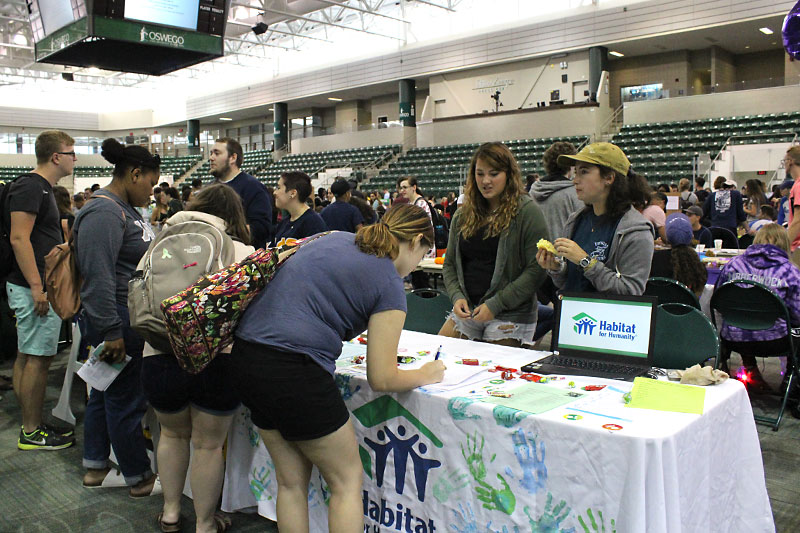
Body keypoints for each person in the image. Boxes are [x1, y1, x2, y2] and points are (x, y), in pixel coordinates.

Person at [228, 204, 445, 532]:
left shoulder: (334, 238)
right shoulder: (389, 282)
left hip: (247, 356)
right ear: (415, 241)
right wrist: (425, 374)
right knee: (346, 481)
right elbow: (382, 376)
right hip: (293, 367)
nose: (416, 265)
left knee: (290, 482)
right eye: (423, 254)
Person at [141, 184, 252, 533]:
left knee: (171, 436)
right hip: (216, 358)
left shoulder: (158, 242)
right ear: (233, 215)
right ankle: (205, 523)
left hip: (159, 352)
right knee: (208, 445)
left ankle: (171, 512)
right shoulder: (240, 248)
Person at [74, 138, 160, 497]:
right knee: (126, 399)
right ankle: (138, 476)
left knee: (105, 391)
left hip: (119, 318)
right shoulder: (104, 213)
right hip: (117, 320)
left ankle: (95, 466)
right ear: (134, 174)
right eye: (151, 184)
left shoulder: (120, 209)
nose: (152, 193)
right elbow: (98, 277)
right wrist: (111, 331)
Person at [4, 130, 76, 450]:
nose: (76, 158)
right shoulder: (31, 187)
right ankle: (31, 430)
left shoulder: (42, 188)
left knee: (28, 356)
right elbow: (19, 239)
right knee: (37, 359)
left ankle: (30, 422)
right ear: (56, 157)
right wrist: (37, 288)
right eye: (71, 152)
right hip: (32, 287)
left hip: (33, 285)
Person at [439, 142, 549, 347]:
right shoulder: (463, 214)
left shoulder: (527, 212)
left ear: (508, 175)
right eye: (480, 174)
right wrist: (456, 296)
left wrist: (496, 304)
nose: (486, 181)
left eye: (494, 174)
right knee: (439, 357)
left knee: (492, 373)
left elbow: (536, 270)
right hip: (470, 309)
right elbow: (450, 264)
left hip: (511, 314)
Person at [537, 142, 654, 295]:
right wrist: (556, 268)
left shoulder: (636, 230)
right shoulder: (575, 220)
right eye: (576, 172)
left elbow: (630, 291)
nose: (575, 180)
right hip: (573, 315)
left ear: (609, 178)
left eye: (584, 172)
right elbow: (567, 282)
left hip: (606, 318)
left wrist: (585, 262)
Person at [714, 223, 800, 387]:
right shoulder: (790, 271)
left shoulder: (732, 265)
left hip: (732, 338)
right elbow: (797, 315)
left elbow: (718, 303)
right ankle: (790, 382)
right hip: (775, 340)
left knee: (745, 320)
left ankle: (750, 368)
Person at [210, 138, 273, 248]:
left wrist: (225, 230)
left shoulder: (253, 187)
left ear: (233, 158)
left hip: (243, 258)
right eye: (211, 153)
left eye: (217, 153)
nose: (211, 158)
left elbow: (262, 229)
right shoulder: (209, 188)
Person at [529, 141, 582, 241]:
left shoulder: (532, 193)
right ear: (571, 165)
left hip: (538, 253)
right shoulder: (575, 193)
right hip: (566, 253)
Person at [649, 213, 707, 296]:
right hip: (688, 307)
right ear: (691, 236)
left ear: (667, 237)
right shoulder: (697, 265)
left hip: (659, 306)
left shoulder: (655, 260)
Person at [272, 171, 327, 246]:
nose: (275, 192)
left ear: (293, 193)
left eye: (278, 188)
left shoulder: (313, 224)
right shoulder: (283, 223)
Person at [784, 147, 800, 265]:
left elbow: (798, 221)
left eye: (784, 161)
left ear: (790, 161)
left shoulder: (798, 186)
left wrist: (783, 246)